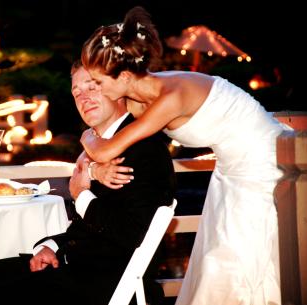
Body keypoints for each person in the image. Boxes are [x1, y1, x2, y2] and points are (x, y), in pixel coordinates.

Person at [79, 6, 285, 305]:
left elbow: (105, 147)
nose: (95, 89)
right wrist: (95, 169)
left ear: (123, 76)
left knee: (234, 257)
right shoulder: (140, 96)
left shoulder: (169, 98)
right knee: (221, 254)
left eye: (98, 82)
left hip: (263, 159)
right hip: (231, 166)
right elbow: (109, 136)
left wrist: (87, 135)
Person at [0, 62, 176, 305]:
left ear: (116, 89)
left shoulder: (144, 149)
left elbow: (132, 233)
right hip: (81, 264)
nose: (83, 98)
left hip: (111, 281)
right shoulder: (97, 145)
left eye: (92, 87)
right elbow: (88, 228)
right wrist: (51, 246)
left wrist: (82, 196)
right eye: (77, 93)